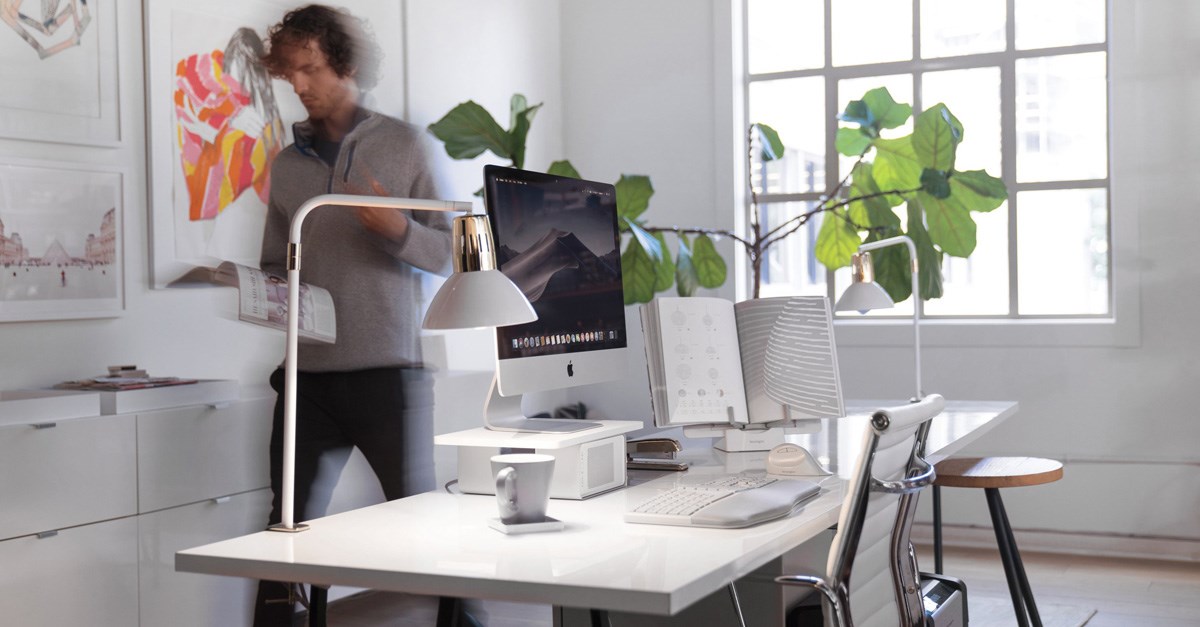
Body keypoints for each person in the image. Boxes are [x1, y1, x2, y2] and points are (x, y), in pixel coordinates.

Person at [252, 5, 452, 625]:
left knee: (418, 520)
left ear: (347, 64)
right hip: (306, 378)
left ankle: (462, 620)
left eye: (309, 69)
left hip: (385, 373)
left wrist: (396, 229)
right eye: (291, 75)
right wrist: (249, 288)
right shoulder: (287, 166)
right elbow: (272, 264)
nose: (301, 87)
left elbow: (451, 253)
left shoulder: (403, 145)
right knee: (281, 530)